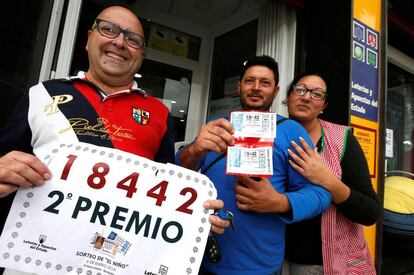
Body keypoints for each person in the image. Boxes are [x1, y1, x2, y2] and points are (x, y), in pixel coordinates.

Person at [0, 5, 229, 273]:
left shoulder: (159, 114)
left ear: (141, 54)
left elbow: (165, 191)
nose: (119, 42)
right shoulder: (42, 94)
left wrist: (194, 217)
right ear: (89, 38)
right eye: (109, 30)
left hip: (115, 261)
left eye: (132, 39)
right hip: (33, 260)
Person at [176, 55, 332, 275]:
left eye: (265, 83)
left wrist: (279, 202)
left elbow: (320, 194)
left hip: (259, 265)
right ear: (239, 87)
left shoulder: (291, 131)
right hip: (198, 254)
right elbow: (177, 173)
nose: (256, 88)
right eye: (250, 81)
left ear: (276, 91)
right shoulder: (217, 124)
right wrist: (194, 150)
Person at [283, 73, 380, 274]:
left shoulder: (342, 140)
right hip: (275, 259)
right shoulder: (273, 135)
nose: (306, 97)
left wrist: (327, 180)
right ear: (288, 96)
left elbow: (370, 212)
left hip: (326, 264)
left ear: (324, 105)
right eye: (300, 89)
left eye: (317, 94)